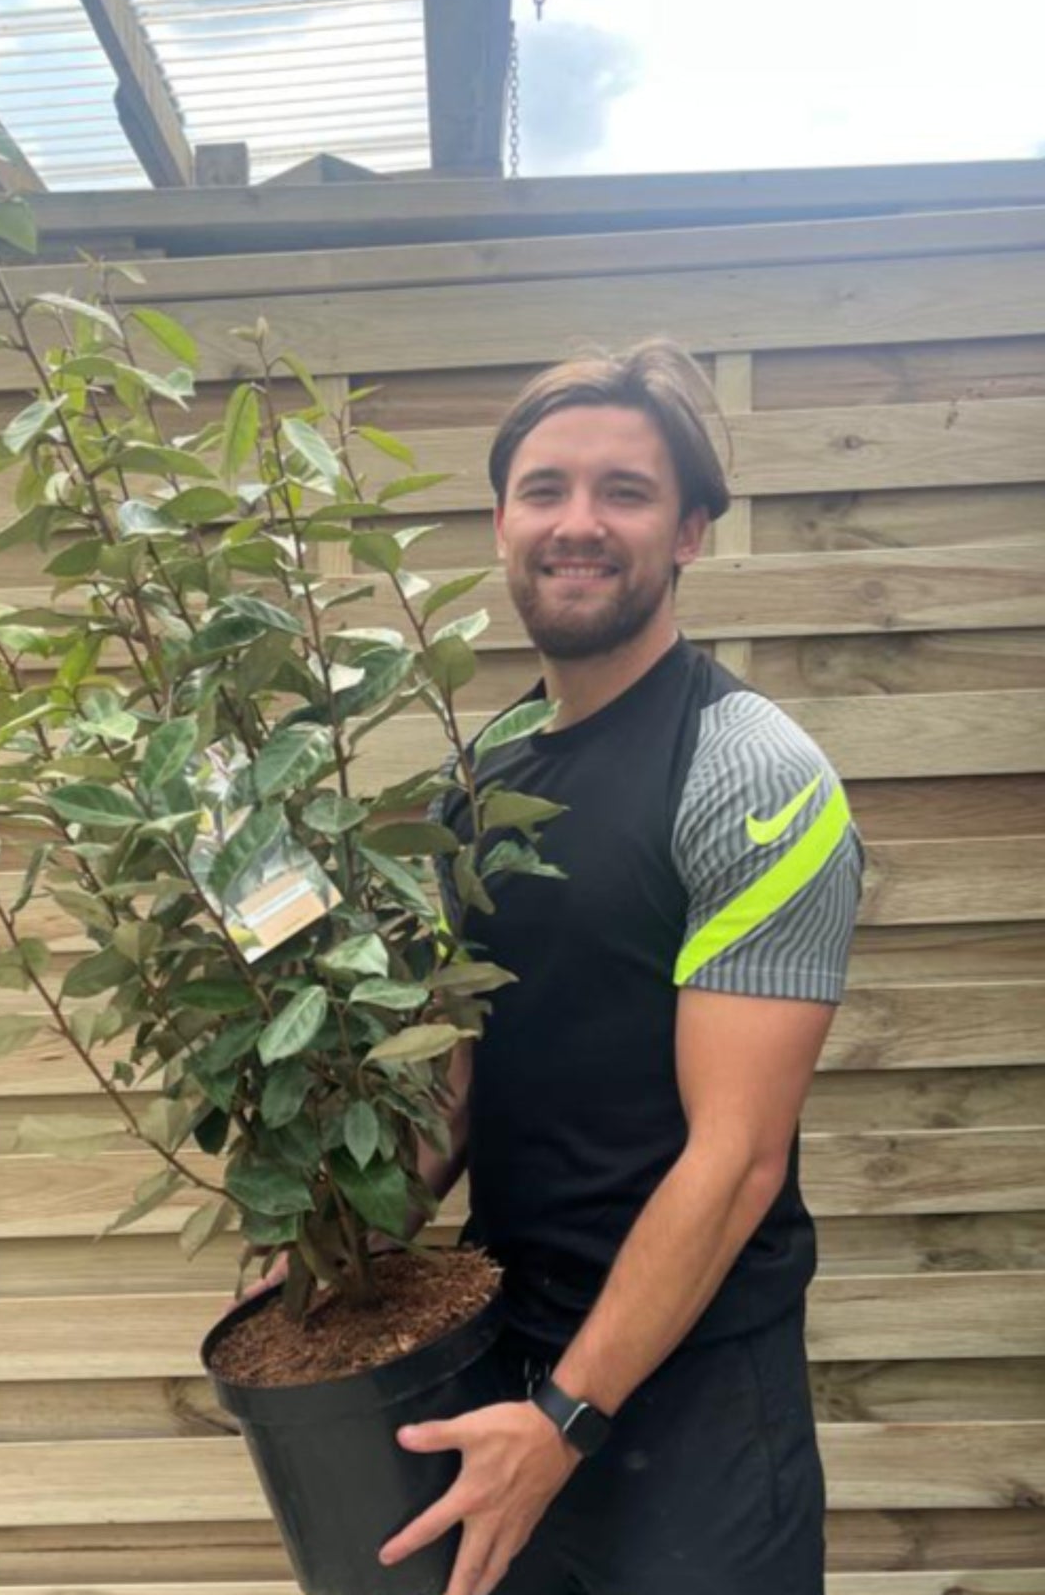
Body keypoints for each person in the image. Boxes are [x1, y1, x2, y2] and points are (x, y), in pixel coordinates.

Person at [375, 342, 866, 1595]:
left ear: (691, 529)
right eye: (544, 489)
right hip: (501, 1364)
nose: (576, 524)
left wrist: (569, 1420)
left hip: (692, 1409)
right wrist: (339, 1240)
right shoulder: (478, 778)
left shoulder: (751, 776)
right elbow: (459, 1076)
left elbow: (738, 1154)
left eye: (624, 492)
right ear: (501, 522)